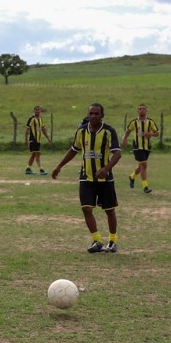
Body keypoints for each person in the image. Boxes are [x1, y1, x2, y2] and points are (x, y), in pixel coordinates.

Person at [49, 102, 122, 253]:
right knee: (86, 208)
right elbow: (73, 150)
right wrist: (59, 166)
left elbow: (117, 153)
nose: (93, 116)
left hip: (105, 178)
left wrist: (106, 168)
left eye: (96, 113)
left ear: (102, 115)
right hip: (86, 177)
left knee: (109, 210)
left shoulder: (109, 131)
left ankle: (113, 241)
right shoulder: (81, 131)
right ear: (88, 115)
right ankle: (96, 240)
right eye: (91, 113)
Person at [125, 103, 160, 193]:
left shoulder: (150, 122)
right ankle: (145, 187)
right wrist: (124, 139)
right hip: (137, 147)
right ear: (138, 110)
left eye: (143, 108)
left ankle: (132, 177)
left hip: (147, 147)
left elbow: (157, 133)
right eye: (140, 108)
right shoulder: (134, 122)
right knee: (144, 165)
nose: (142, 110)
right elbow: (128, 131)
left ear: (146, 110)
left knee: (141, 165)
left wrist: (150, 134)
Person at [24, 106, 49, 175]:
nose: (37, 111)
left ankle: (28, 169)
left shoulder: (40, 119)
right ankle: (41, 170)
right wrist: (26, 139)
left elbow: (43, 129)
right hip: (33, 139)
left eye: (38, 110)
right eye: (36, 110)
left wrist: (48, 138)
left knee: (33, 155)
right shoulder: (31, 119)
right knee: (37, 154)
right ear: (34, 111)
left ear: (40, 111)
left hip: (38, 140)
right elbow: (27, 130)